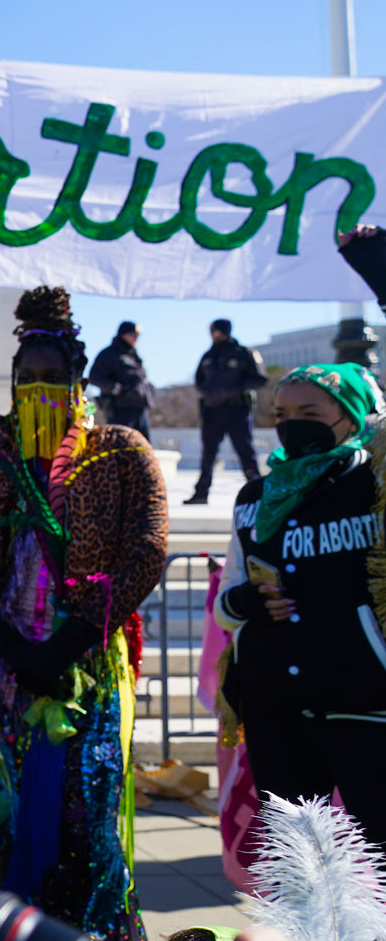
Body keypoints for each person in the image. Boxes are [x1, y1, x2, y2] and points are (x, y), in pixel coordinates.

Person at [0, 286, 167, 941]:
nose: (38, 388)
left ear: (77, 379)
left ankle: (96, 931)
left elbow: (147, 552)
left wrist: (69, 640)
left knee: (88, 822)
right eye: (26, 379)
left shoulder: (123, 452)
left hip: (88, 668)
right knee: (11, 818)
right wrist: (0, 639)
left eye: (52, 377)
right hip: (5, 672)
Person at [212, 363, 386, 845]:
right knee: (300, 869)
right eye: (282, 412)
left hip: (365, 704)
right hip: (276, 708)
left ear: (352, 416)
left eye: (310, 411)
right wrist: (248, 599)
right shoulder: (255, 496)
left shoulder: (375, 482)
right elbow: (225, 604)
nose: (292, 423)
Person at [186, 318, 267, 505]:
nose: (213, 335)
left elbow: (260, 379)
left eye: (216, 331)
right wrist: (209, 392)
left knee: (246, 452)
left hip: (237, 411)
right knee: (208, 454)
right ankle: (201, 493)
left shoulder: (244, 353)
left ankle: (257, 493)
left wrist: (234, 388)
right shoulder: (208, 355)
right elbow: (198, 381)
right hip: (213, 411)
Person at [88, 321, 154, 439]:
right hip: (120, 410)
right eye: (133, 335)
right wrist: (115, 389)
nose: (136, 339)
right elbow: (94, 377)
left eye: (138, 336)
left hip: (139, 408)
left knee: (144, 448)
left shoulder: (132, 355)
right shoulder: (109, 354)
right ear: (124, 335)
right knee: (121, 444)